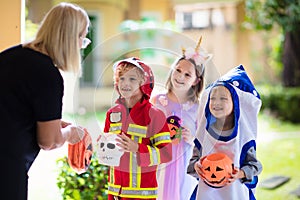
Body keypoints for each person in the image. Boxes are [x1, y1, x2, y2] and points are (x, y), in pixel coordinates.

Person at [0, 2, 91, 199]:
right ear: (71, 38)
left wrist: (55, 124)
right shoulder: (47, 74)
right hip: (6, 169)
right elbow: (49, 141)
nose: (80, 47)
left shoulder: (10, 56)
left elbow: (13, 111)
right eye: (82, 40)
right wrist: (70, 133)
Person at [101, 57, 172, 200]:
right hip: (115, 193)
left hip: (141, 195)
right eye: (121, 78)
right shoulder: (112, 114)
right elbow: (110, 152)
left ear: (143, 84)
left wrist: (138, 148)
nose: (125, 83)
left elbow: (166, 154)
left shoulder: (155, 115)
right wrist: (102, 145)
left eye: (132, 79)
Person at [187, 65, 263, 200]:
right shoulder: (204, 134)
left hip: (235, 194)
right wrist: (196, 166)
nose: (216, 102)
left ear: (235, 103)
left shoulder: (243, 137)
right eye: (213, 98)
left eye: (223, 98)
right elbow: (193, 162)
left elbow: (255, 166)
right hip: (207, 194)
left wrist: (240, 173)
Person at [151, 37, 212, 200]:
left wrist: (192, 138)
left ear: (196, 81)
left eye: (187, 74)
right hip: (160, 162)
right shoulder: (158, 101)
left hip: (184, 165)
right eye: (178, 70)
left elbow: (205, 141)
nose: (180, 77)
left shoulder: (197, 107)